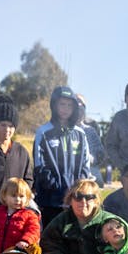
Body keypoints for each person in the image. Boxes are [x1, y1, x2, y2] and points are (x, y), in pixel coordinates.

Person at [33, 86, 91, 226]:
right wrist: (59, 191)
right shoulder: (43, 132)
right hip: (50, 201)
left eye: (69, 105)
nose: (65, 109)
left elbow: (85, 166)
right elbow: (40, 167)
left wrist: (74, 192)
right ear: (54, 105)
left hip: (75, 201)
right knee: (51, 242)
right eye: (62, 104)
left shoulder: (80, 134)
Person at [76, 94, 108, 186]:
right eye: (76, 102)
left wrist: (88, 158)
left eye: (82, 104)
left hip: (91, 171)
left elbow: (100, 154)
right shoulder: (65, 129)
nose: (79, 106)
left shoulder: (90, 130)